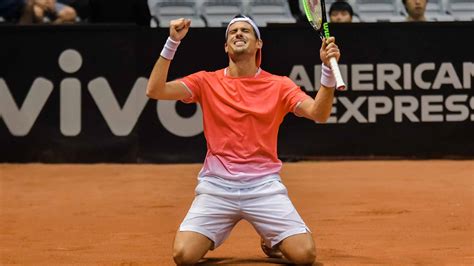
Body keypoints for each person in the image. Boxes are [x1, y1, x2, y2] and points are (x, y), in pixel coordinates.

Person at [146, 14, 342, 265]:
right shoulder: (206, 81)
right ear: (226, 47)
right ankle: (221, 231)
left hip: (263, 187)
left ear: (258, 44)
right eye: (233, 32)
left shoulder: (279, 85)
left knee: (305, 257)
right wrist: (172, 41)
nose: (238, 34)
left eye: (246, 31)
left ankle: (271, 238)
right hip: (216, 188)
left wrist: (327, 69)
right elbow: (155, 90)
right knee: (183, 256)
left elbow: (319, 113)